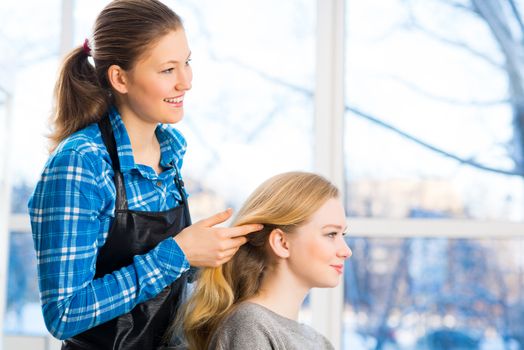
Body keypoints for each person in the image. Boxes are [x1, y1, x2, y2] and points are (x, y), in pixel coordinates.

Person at [27, 1, 262, 349]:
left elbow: (162, 282)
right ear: (120, 78)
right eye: (168, 70)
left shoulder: (168, 153)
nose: (186, 82)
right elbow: (64, 313)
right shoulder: (81, 164)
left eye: (187, 62)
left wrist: (224, 251)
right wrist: (178, 254)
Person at [172, 171, 352, 350]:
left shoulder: (319, 342)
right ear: (281, 243)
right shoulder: (250, 326)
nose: (346, 251)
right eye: (331, 234)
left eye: (342, 234)